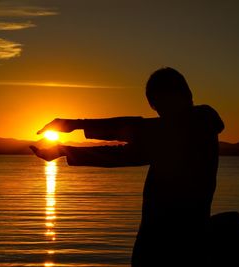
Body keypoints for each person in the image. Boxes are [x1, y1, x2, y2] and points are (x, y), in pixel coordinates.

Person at [30, 67, 224, 266]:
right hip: (166, 239)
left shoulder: (198, 123)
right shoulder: (183, 134)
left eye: (160, 105)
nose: (159, 113)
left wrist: (74, 126)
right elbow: (127, 150)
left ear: (183, 96)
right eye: (157, 108)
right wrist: (66, 149)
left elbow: (136, 132)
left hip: (174, 245)